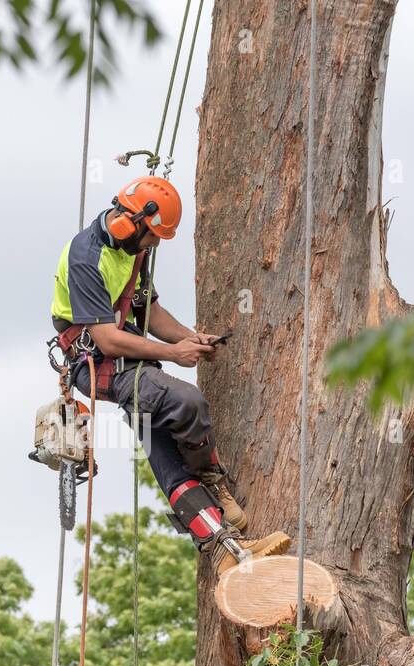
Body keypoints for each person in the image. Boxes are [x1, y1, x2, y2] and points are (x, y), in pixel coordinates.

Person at [49, 175, 288, 568]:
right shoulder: (86, 257)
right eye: (153, 235)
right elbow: (108, 339)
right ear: (132, 221)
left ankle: (222, 547)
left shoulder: (134, 253)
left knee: (164, 450)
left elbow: (149, 312)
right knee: (186, 401)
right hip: (97, 363)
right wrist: (173, 354)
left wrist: (191, 338)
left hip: (129, 356)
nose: (155, 243)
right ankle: (212, 479)